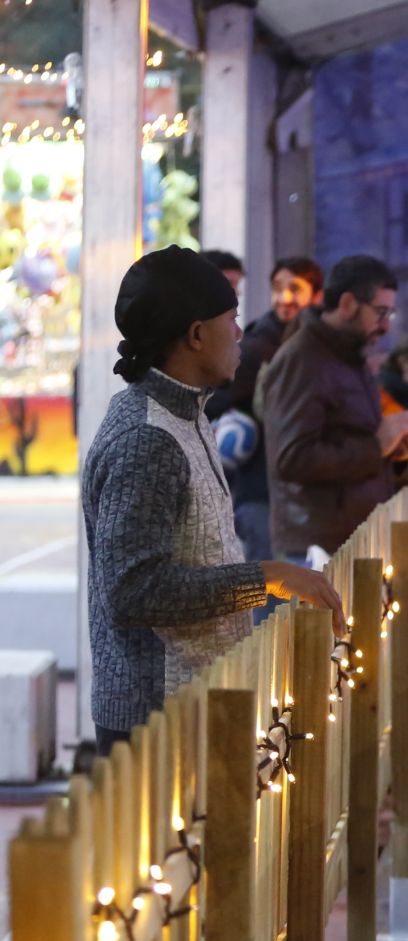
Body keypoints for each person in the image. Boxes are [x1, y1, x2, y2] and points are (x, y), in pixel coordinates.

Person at [81, 247, 344, 755]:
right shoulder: (147, 438)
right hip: (158, 720)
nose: (242, 332)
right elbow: (134, 590)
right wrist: (266, 577)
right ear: (197, 334)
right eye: (233, 318)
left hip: (194, 703)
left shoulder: (185, 414)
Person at [256, 254, 408, 559]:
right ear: (347, 304)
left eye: (390, 315)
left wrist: (396, 452)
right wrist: (377, 446)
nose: (385, 327)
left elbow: (349, 439)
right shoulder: (302, 360)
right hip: (315, 552)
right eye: (380, 313)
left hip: (352, 540)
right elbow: (291, 459)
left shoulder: (350, 357)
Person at [208, 255, 325, 563]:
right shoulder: (256, 346)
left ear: (317, 295)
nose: (284, 297)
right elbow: (211, 402)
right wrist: (239, 423)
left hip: (307, 495)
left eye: (295, 288)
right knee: (270, 597)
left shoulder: (319, 347)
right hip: (260, 493)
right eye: (277, 287)